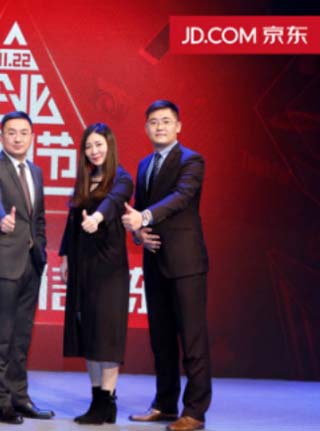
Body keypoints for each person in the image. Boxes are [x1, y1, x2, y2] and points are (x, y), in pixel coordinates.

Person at [122, 100, 211, 431]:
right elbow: (139, 210)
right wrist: (138, 234)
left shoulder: (192, 160)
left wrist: (143, 217)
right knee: (161, 338)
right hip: (155, 259)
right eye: (153, 122)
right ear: (146, 128)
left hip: (186, 262)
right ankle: (165, 404)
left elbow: (181, 198)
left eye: (166, 121)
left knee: (192, 338)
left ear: (178, 126)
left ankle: (195, 411)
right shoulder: (145, 164)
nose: (159, 127)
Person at [0, 111, 54, 425]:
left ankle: (20, 398)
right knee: (3, 335)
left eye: (24, 132)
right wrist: (1, 219)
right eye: (11, 132)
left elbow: (39, 217)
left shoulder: (35, 171)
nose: (18, 138)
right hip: (2, 263)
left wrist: (42, 250)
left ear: (32, 137)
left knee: (22, 337)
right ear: (1, 137)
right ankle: (0, 402)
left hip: (31, 263)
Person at [58, 123, 134, 425]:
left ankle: (106, 400)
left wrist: (98, 218)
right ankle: (98, 401)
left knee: (107, 335)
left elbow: (113, 202)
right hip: (82, 265)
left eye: (99, 144)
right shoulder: (84, 180)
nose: (94, 151)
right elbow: (71, 221)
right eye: (88, 146)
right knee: (88, 333)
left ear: (110, 146)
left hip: (109, 268)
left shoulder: (122, 178)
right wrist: (65, 256)